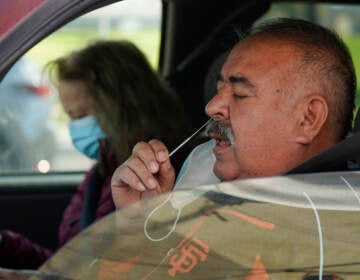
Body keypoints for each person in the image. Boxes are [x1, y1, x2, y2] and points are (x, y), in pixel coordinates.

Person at [111, 17, 356, 209]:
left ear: (308, 118)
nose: (211, 107)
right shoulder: (203, 166)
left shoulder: (341, 226)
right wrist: (142, 220)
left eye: (239, 94)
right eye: (219, 90)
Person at [0, 40, 189, 270]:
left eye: (81, 115)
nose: (74, 128)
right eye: (70, 117)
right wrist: (6, 244)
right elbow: (66, 265)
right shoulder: (100, 175)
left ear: (122, 106)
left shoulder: (162, 176)